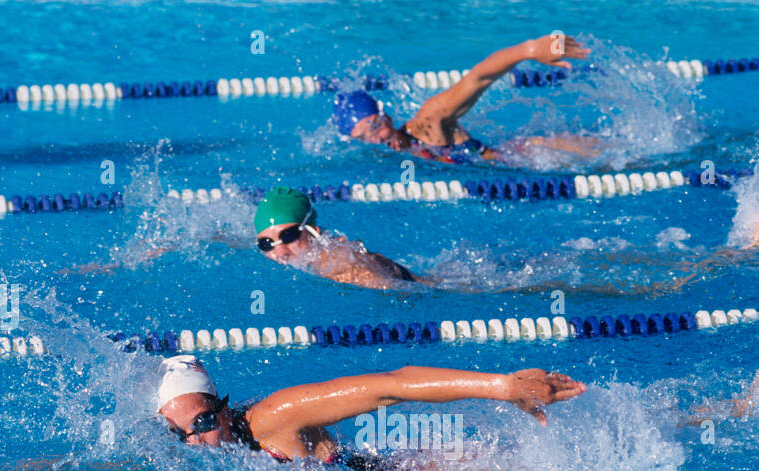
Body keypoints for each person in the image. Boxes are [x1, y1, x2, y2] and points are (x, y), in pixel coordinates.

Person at [154, 353, 585, 471]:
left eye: (205, 421)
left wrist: (502, 387)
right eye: (181, 433)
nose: (197, 440)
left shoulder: (274, 417)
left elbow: (392, 386)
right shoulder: (200, 454)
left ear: (225, 410)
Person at [333, 34, 603, 167]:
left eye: (375, 127)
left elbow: (478, 77)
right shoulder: (397, 168)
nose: (376, 139)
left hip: (535, 155)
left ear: (388, 118)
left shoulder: (428, 122)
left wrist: (529, 50)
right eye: (364, 138)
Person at [255, 186, 417, 290]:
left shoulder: (339, 265)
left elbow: (404, 296)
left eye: (288, 235)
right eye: (266, 243)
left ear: (313, 230)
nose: (281, 252)